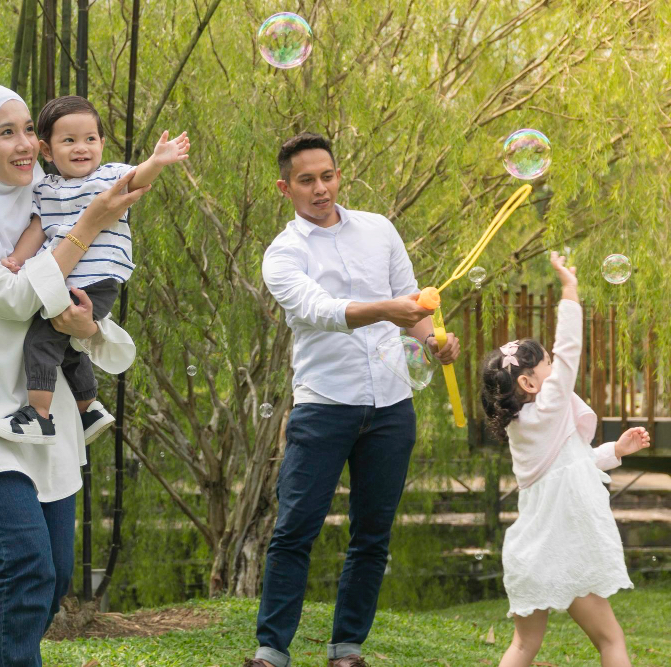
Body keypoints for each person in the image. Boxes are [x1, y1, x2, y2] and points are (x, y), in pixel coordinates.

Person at [0, 82, 149, 667]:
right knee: (28, 566)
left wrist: (89, 327)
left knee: (55, 575)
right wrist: (90, 223)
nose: (27, 146)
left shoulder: (44, 201)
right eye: (5, 132)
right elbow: (16, 297)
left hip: (50, 420)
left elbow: (89, 329)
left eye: (28, 132)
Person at [246, 132, 461, 667]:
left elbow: (413, 301)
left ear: (339, 175)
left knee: (372, 535)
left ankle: (347, 647)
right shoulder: (283, 254)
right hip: (323, 405)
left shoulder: (379, 229)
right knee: (296, 529)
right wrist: (391, 310)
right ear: (285, 187)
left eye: (328, 176)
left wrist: (433, 341)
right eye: (306, 180)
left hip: (392, 405)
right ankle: (271, 649)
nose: (320, 188)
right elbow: (322, 310)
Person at [480, 250, 648, 667]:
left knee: (523, 647)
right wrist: (570, 290)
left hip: (532, 556)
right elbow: (570, 349)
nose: (556, 367)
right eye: (548, 366)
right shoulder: (550, 409)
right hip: (566, 553)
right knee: (611, 641)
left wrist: (616, 451)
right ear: (529, 382)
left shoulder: (525, 429)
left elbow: (570, 469)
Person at [0, 95, 189, 446]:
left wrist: (157, 161)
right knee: (67, 345)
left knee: (40, 338)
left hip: (97, 279)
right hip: (62, 280)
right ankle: (89, 408)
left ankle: (39, 415)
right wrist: (17, 260)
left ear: (101, 143)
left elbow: (137, 177)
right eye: (68, 140)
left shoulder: (108, 177)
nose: (81, 148)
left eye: (90, 139)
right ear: (47, 151)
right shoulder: (44, 189)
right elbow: (38, 228)